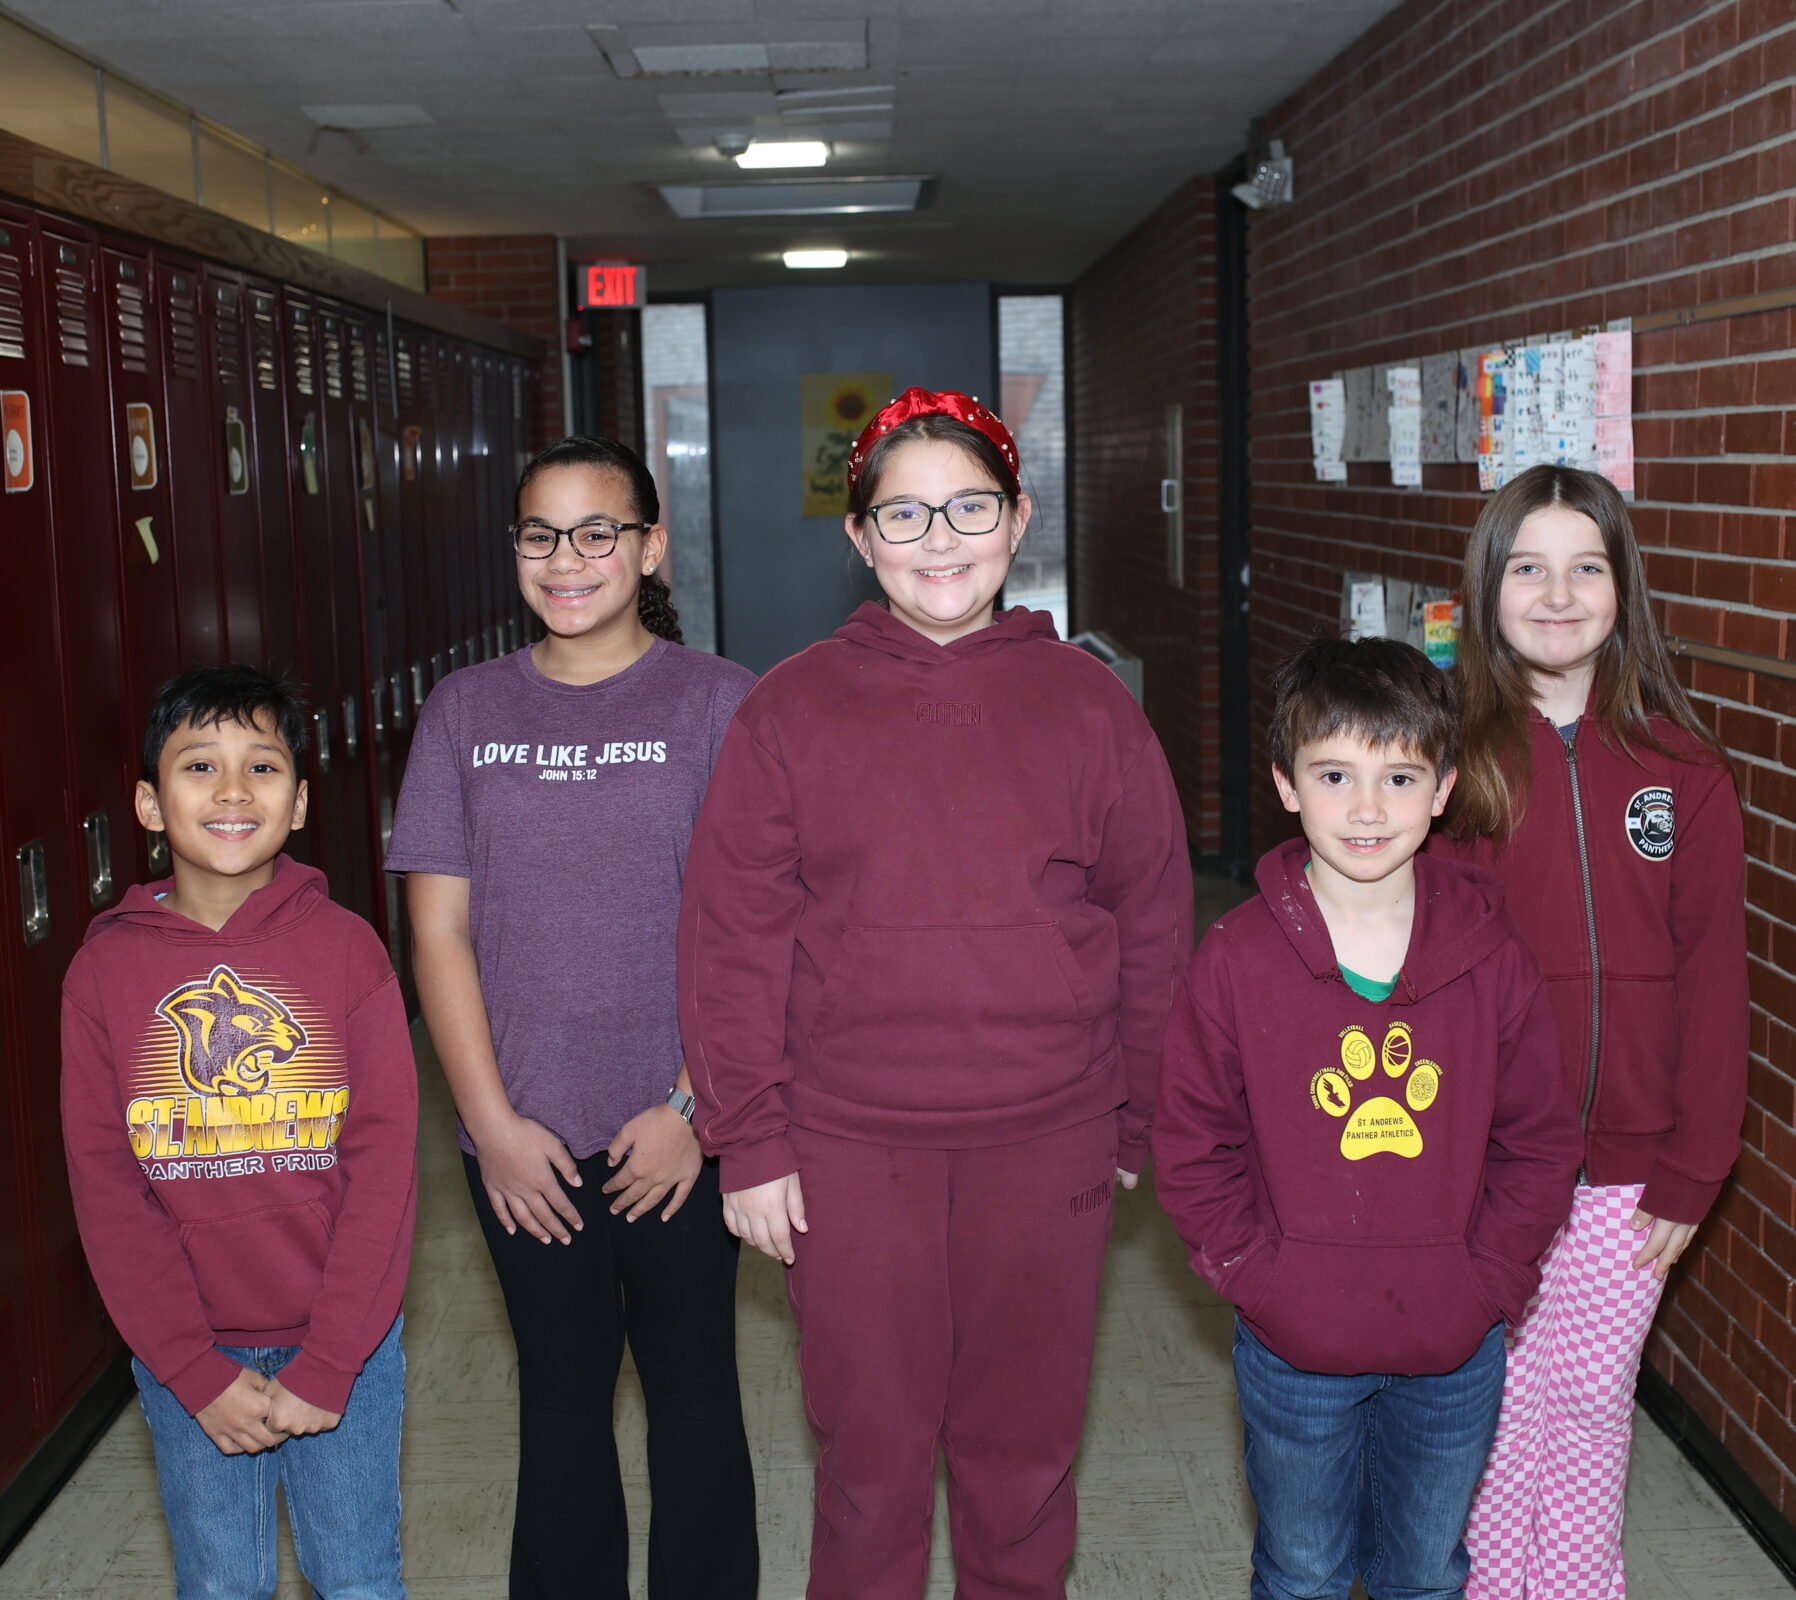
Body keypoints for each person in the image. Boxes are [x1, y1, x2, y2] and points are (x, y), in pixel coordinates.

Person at [678, 387, 1192, 1600]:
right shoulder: (788, 709)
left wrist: (1137, 1114)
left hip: (1046, 1135)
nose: (938, 538)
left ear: (1016, 521)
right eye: (901, 513)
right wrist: (747, 1140)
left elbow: (1154, 922)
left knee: (1021, 1466)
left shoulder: (1090, 710)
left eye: (967, 506)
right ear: (857, 539)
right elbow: (731, 937)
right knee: (870, 1463)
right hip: (848, 1148)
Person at [386, 436, 757, 1600]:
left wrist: (695, 1104)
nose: (567, 558)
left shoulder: (719, 701)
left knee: (694, 1396)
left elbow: (761, 925)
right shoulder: (463, 710)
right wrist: (490, 1123)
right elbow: (436, 930)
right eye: (540, 534)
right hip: (520, 1136)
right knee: (557, 1403)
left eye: (597, 531)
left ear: (648, 546)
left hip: (680, 1127)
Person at [1153, 634, 1582, 1600]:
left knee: (1426, 1573)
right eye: (1336, 774)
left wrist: (1490, 1280)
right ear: (1286, 784)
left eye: (1399, 777)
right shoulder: (1234, 959)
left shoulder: (1493, 957)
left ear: (1443, 791)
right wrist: (1258, 1277)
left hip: (1453, 1345)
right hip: (1294, 1343)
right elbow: (1192, 1142)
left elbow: (1539, 1143)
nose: (1366, 807)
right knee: (1302, 1569)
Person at [1437, 463, 1749, 1600]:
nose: (1556, 594)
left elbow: (1715, 979)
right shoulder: (1447, 770)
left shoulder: (1685, 773)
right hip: (1485, 1169)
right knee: (1490, 1426)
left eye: (1585, 567)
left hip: (1632, 1180)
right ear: (1486, 587)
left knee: (1585, 1422)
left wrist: (1692, 1165)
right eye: (1527, 566)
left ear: (1623, 589)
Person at [61, 664, 418, 1600]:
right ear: (147, 803)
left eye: (261, 767)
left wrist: (335, 1356)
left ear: (300, 802)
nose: (230, 792)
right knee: (220, 1585)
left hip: (348, 1340)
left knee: (359, 1579)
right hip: (192, 1350)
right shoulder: (103, 975)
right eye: (198, 767)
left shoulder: (347, 950)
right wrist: (189, 1365)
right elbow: (107, 1186)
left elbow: (384, 1167)